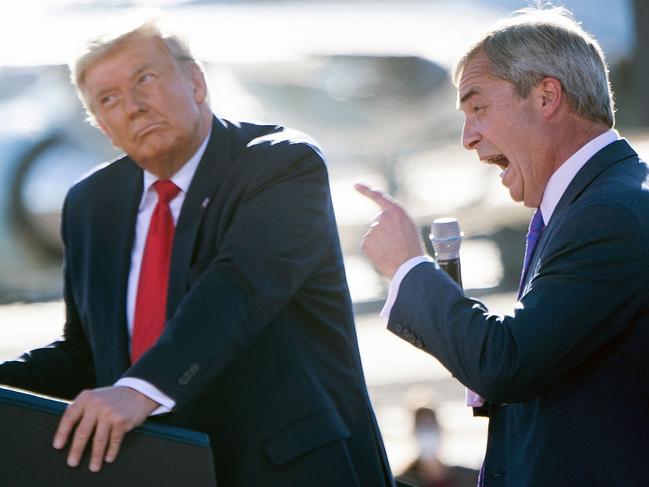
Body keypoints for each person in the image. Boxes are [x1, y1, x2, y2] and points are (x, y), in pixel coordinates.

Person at [0, 19, 393, 486]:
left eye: (145, 79)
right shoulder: (90, 203)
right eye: (108, 99)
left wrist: (139, 390)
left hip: (288, 469)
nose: (133, 106)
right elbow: (87, 354)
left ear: (196, 82)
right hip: (155, 470)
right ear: (104, 128)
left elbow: (239, 290)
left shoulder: (280, 163)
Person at [356, 5, 649, 486]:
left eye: (478, 108)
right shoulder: (592, 203)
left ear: (546, 96)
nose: (468, 138)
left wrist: (408, 266)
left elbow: (507, 362)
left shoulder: (607, 214)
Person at [397, 407, 478, 487]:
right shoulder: (403, 481)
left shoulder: (468, 477)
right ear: (413, 433)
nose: (427, 435)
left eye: (430, 426)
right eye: (421, 427)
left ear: (440, 430)